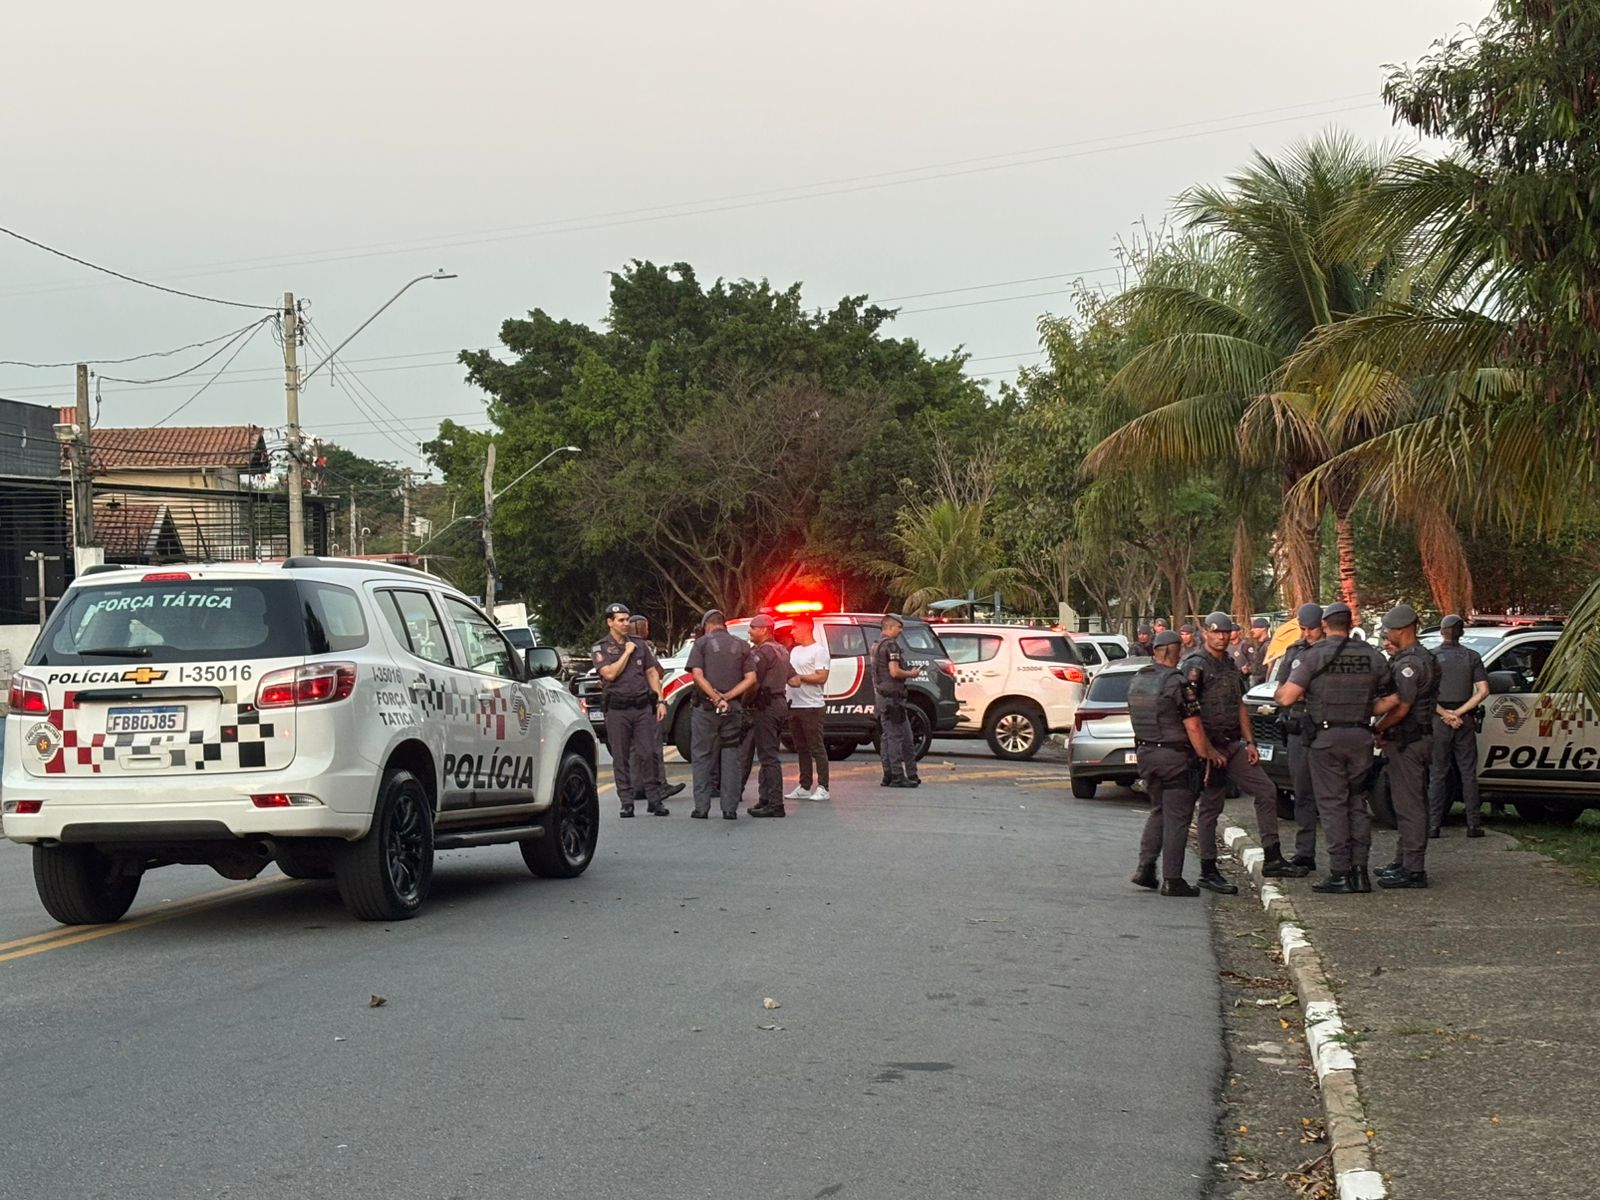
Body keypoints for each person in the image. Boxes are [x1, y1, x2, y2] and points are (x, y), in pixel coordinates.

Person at [1275, 602, 1392, 895]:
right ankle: (1360, 872)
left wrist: (1281, 693)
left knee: (1332, 805)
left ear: (1325, 625)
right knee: (1357, 803)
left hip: (1326, 740)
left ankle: (1340, 872)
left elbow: (1287, 698)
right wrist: (1365, 712)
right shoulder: (1373, 656)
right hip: (1361, 736)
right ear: (1351, 624)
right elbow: (1392, 700)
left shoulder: (1314, 656)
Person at [1185, 612, 1304, 892]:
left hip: (1233, 744)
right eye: (1216, 632)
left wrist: (1250, 742)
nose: (1222, 636)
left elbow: (1239, 704)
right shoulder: (1194, 666)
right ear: (1205, 633)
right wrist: (1207, 751)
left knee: (1266, 790)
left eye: (1226, 632)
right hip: (1209, 747)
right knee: (1211, 807)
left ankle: (1272, 856)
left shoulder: (1229, 663)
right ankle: (1208, 869)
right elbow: (1189, 713)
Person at [1130, 631, 1224, 897]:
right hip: (1175, 757)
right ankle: (1173, 879)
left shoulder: (1139, 680)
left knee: (1158, 810)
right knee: (1178, 817)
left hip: (1147, 754)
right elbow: (1193, 726)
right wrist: (1207, 754)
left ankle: (1145, 867)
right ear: (1174, 651)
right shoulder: (1177, 682)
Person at [1372, 605, 1440, 889]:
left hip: (1409, 741)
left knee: (1409, 805)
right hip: (1412, 738)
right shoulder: (1421, 657)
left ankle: (1413, 869)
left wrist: (1378, 728)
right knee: (1407, 802)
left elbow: (1401, 708)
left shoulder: (1410, 664)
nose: (1386, 635)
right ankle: (1402, 861)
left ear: (1402, 630)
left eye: (1388, 630)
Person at [591, 602, 670, 817]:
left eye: (627, 620)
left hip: (642, 706)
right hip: (617, 709)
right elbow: (609, 674)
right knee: (621, 756)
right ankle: (627, 802)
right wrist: (626, 653)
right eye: (621, 620)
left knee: (649, 753)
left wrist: (660, 700)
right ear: (610, 622)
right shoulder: (601, 648)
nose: (626, 624)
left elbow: (652, 672)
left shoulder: (639, 644)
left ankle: (655, 800)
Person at [685, 609, 757, 820]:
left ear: (707, 625)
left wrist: (715, 697)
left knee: (702, 757)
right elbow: (751, 678)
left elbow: (697, 676)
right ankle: (730, 809)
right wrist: (729, 696)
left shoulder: (701, 644)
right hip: (733, 710)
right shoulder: (742, 645)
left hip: (706, 710)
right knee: (731, 756)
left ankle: (701, 808)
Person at [1273, 603, 1326, 871]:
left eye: (1312, 629)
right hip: (1299, 727)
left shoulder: (1336, 651)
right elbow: (1280, 689)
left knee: (1334, 796)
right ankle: (1305, 853)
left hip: (1328, 729)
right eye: (1303, 629)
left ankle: (1345, 857)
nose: (1307, 634)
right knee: (1303, 793)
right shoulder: (1294, 651)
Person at [1428, 614, 1490, 838]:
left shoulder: (1432, 657)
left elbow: (1424, 693)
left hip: (1439, 720)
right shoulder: (1471, 656)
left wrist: (1445, 714)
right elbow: (1483, 691)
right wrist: (1459, 713)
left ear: (1442, 631)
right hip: (1465, 720)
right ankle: (1473, 825)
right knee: (1467, 773)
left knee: (1437, 773)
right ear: (1461, 631)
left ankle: (1433, 826)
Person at [623, 614, 685, 809]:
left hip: (626, 704)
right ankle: (660, 785)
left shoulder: (619, 646)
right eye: (646, 626)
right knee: (653, 746)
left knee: (633, 747)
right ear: (641, 628)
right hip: (647, 701)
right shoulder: (645, 646)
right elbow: (656, 671)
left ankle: (636, 786)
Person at [739, 615, 793, 818]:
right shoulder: (782, 650)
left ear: (765, 629)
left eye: (753, 627)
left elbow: (754, 683)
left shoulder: (763, 652)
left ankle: (775, 803)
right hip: (779, 704)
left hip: (766, 706)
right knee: (766, 752)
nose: (750, 631)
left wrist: (744, 703)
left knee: (768, 756)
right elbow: (793, 679)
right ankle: (765, 799)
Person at [785, 615, 832, 801]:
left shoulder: (819, 651)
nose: (792, 631)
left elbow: (821, 677)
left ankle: (823, 787)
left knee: (816, 747)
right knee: (801, 747)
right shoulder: (794, 651)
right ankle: (804, 785)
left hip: (812, 706)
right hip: (794, 705)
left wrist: (799, 677)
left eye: (795, 627)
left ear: (806, 628)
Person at [871, 613, 921, 788]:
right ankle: (897, 776)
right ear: (890, 627)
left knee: (895, 736)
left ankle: (897, 775)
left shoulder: (876, 645)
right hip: (893, 698)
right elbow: (894, 672)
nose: (901, 630)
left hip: (883, 697)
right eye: (899, 627)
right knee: (895, 738)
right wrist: (911, 674)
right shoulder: (891, 645)